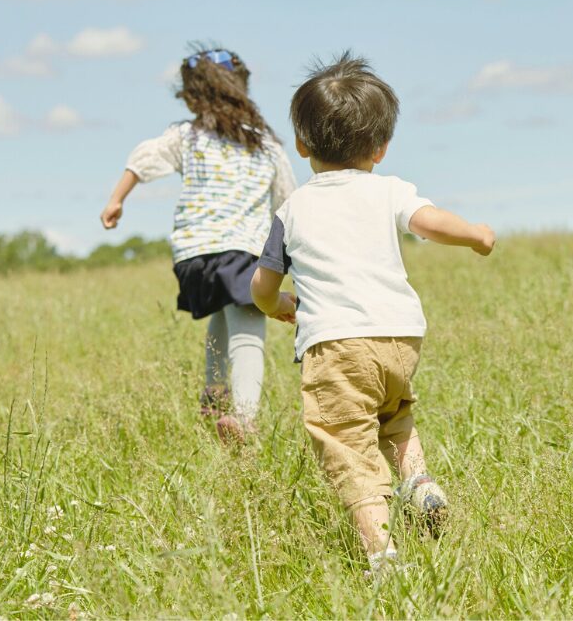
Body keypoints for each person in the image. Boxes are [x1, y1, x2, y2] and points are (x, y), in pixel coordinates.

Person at [250, 53, 495, 574]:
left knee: (346, 444)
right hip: (400, 339)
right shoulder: (390, 191)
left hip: (336, 344)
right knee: (393, 415)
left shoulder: (292, 209)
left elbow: (262, 285)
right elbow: (428, 222)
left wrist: (278, 306)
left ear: (301, 145)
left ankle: (382, 557)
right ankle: (418, 481)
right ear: (381, 148)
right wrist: (474, 233)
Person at [101, 47, 296, 441]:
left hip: (193, 254)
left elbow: (144, 158)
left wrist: (116, 198)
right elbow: (289, 201)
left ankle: (214, 394)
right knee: (248, 328)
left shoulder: (186, 136)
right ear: (242, 91)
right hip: (241, 246)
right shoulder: (265, 145)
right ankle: (244, 418)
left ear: (192, 97)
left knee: (222, 313)